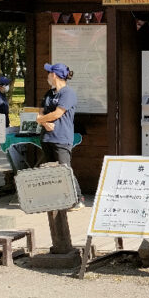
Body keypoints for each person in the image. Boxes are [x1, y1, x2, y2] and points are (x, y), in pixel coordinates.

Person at [36, 63, 83, 208]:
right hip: (47, 137)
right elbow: (40, 111)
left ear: (54, 75)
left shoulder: (68, 93)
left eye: (49, 73)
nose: (48, 76)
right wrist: (43, 122)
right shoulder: (49, 93)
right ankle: (57, 199)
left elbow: (58, 113)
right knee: (51, 169)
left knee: (64, 169)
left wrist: (40, 120)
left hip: (62, 138)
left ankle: (77, 199)